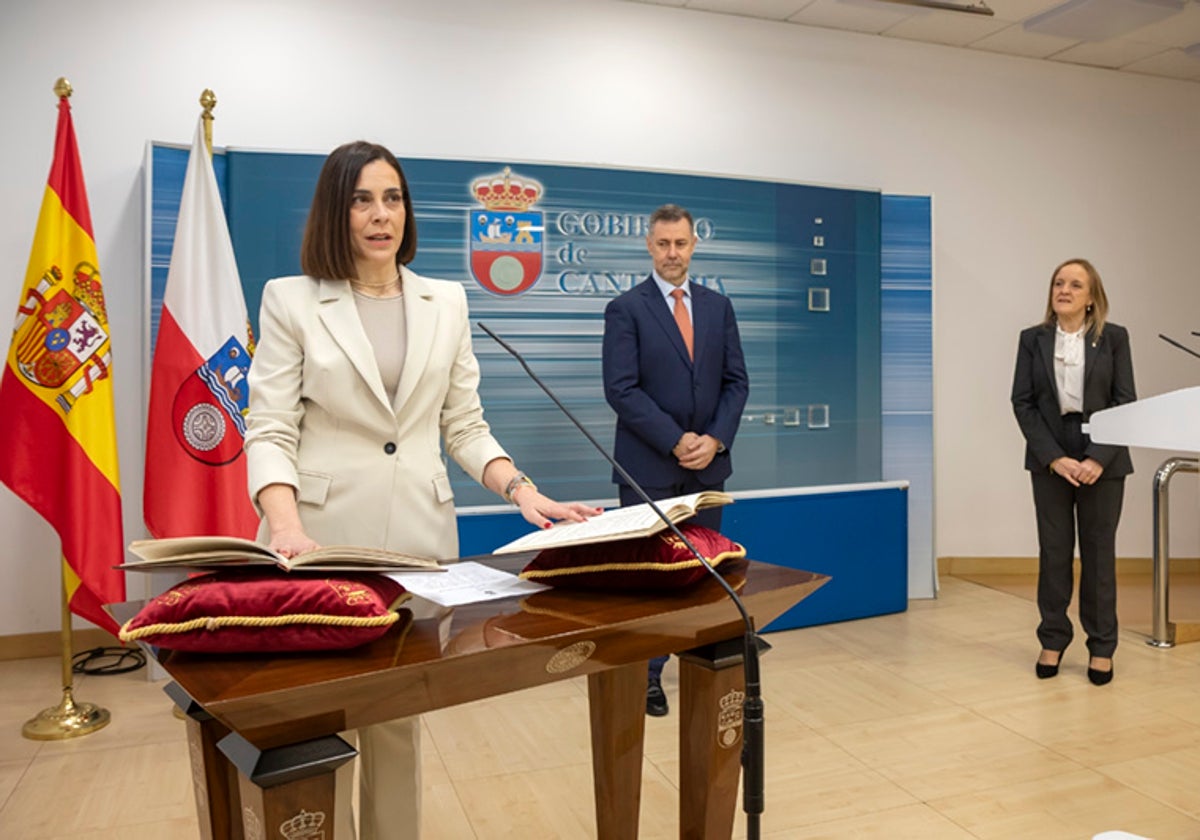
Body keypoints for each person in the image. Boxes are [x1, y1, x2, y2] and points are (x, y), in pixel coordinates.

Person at [244, 140, 597, 839]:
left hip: (416, 543)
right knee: (321, 724)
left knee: (397, 722)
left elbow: (463, 425)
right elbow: (270, 428)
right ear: (334, 213)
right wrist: (284, 525)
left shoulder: (447, 301)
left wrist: (520, 489)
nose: (382, 216)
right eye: (362, 200)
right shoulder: (292, 300)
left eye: (393, 198)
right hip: (317, 543)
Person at [601, 203, 749, 716]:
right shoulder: (626, 308)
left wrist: (715, 439)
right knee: (652, 579)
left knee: (705, 572)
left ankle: (702, 662)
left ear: (693, 245)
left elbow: (736, 383)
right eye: (663, 244)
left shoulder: (717, 307)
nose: (672, 253)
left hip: (708, 468)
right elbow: (620, 390)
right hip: (649, 470)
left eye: (680, 243)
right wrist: (675, 439)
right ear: (649, 245)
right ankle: (647, 674)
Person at [1011, 258, 1136, 687]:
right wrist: (1053, 457)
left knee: (1099, 554)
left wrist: (1098, 457)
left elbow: (1125, 401)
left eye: (1075, 284)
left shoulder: (1114, 338)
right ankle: (1053, 637)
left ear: (1091, 297)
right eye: (1058, 283)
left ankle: (1102, 646)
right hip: (1051, 451)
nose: (1064, 289)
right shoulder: (1032, 339)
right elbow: (1022, 402)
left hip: (1103, 449)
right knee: (1055, 551)